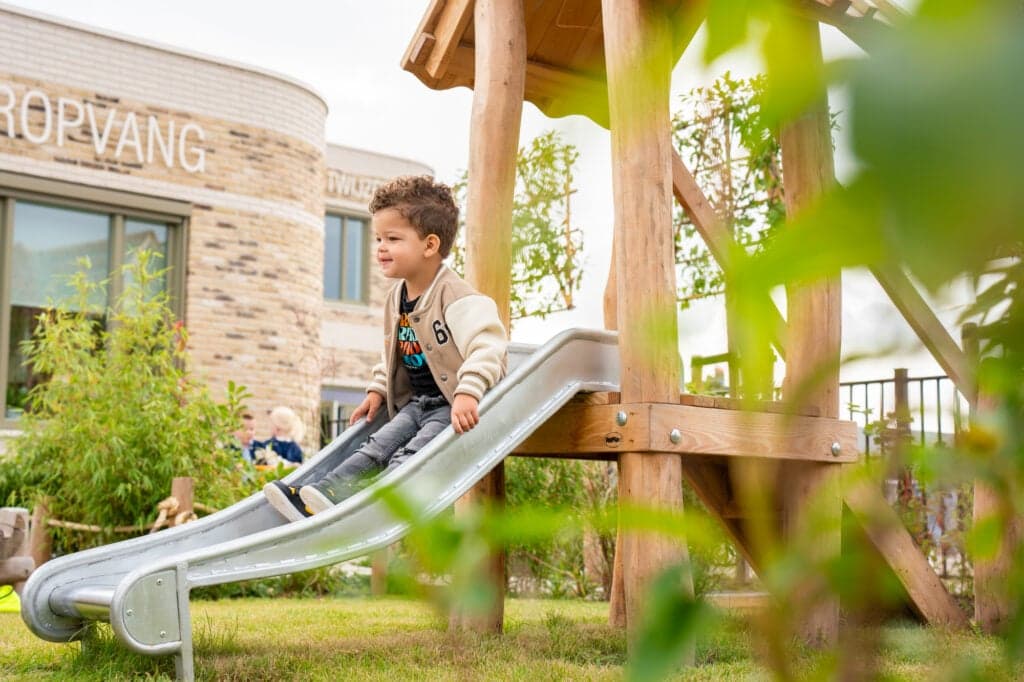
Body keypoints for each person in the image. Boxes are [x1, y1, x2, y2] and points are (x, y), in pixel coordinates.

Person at [264, 175, 507, 521]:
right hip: (417, 403)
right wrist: (378, 388)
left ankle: (372, 505)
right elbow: (393, 352)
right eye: (379, 237)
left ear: (429, 245)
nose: (380, 247)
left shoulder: (459, 298)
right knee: (375, 446)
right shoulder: (397, 297)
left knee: (410, 455)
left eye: (393, 239)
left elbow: (488, 345)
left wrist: (469, 391)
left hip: (450, 406)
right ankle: (325, 492)